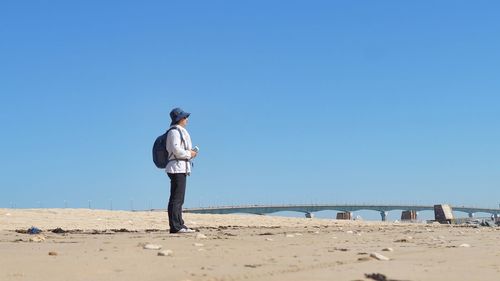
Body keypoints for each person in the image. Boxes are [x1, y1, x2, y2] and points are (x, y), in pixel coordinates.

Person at [165, 107, 198, 233]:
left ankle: (179, 224)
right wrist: (190, 154)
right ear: (180, 119)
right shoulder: (174, 132)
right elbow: (176, 150)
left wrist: (190, 153)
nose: (187, 119)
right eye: (185, 117)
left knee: (179, 198)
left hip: (181, 167)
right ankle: (175, 226)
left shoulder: (180, 131)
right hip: (176, 167)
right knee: (176, 198)